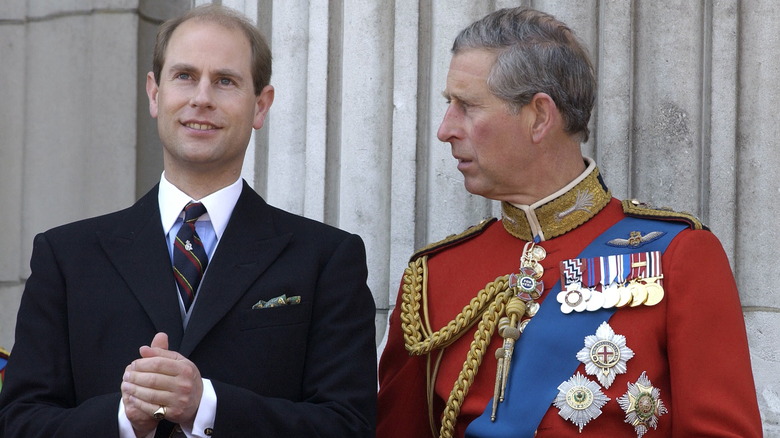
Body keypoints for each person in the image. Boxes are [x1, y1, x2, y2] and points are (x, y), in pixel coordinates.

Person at [377, 7, 761, 438]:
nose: (445, 129)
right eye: (449, 105)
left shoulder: (677, 256)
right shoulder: (431, 277)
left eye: (466, 106)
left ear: (540, 116)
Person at [0, 5, 376, 438]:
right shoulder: (65, 257)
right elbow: (19, 424)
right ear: (155, 94)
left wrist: (207, 406)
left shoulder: (327, 259)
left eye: (225, 81)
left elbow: (349, 426)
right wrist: (125, 420)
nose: (202, 97)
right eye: (184, 76)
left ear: (261, 105)